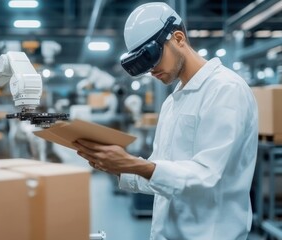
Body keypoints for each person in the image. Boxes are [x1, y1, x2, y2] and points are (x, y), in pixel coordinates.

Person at [73, 2, 258, 240]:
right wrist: (117, 168)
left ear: (178, 38)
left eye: (152, 57)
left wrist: (132, 164)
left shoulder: (225, 89)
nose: (151, 70)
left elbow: (207, 176)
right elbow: (162, 174)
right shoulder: (172, 102)